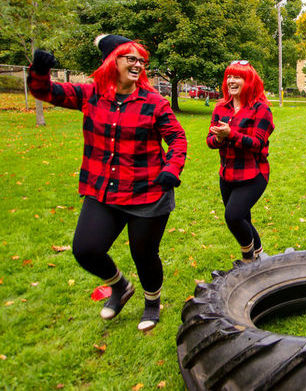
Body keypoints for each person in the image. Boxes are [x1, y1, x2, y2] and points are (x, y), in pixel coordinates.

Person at [27, 35, 187, 332]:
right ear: (113, 61)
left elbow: (177, 138)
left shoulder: (154, 102)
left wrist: (172, 168)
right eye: (131, 58)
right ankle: (120, 286)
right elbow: (45, 91)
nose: (138, 64)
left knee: (144, 254)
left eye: (141, 60)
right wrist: (39, 70)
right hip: (104, 191)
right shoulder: (91, 95)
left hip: (148, 193)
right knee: (85, 249)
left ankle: (152, 302)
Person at [207, 60, 274, 264]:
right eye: (229, 77)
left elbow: (257, 143)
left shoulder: (261, 110)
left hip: (253, 174)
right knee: (243, 217)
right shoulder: (221, 108)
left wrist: (231, 134)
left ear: (249, 81)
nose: (231, 81)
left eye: (237, 77)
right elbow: (210, 141)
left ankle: (248, 258)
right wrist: (218, 139)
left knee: (234, 216)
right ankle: (260, 254)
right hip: (227, 174)